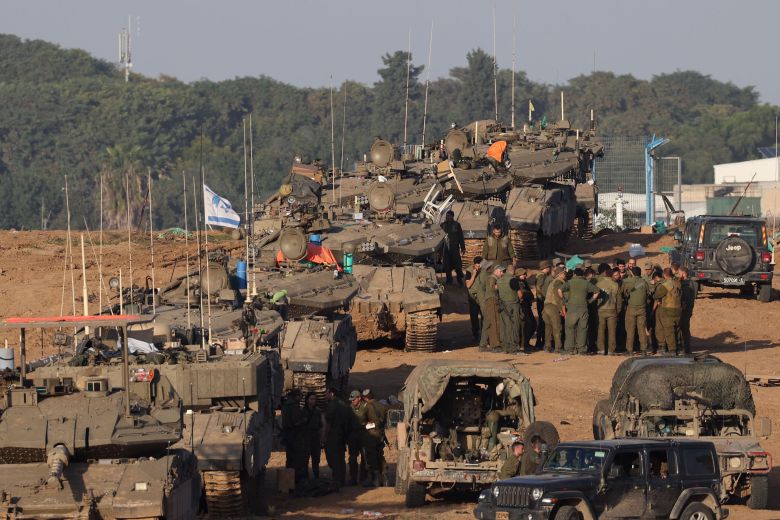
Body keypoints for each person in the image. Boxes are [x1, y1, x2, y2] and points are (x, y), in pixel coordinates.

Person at [560, 268, 601, 355]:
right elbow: (597, 291)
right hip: (583, 308)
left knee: (570, 328)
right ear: (582, 275)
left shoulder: (570, 282)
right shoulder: (586, 283)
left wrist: (564, 299)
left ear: (574, 274)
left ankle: (570, 349)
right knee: (583, 329)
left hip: (571, 308)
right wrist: (590, 301)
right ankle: (581, 349)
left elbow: (559, 290)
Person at [357, 389, 388, 487]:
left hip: (371, 435)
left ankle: (375, 480)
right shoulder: (382, 406)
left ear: (366, 398)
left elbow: (361, 419)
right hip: (381, 434)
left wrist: (367, 424)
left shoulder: (366, 407)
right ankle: (385, 478)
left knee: (371, 456)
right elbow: (384, 421)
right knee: (380, 455)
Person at [323, 388, 350, 488]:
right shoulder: (343, 404)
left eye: (326, 393)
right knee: (340, 458)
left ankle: (336, 480)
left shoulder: (331, 406)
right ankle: (341, 480)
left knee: (333, 459)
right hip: (342, 435)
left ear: (332, 393)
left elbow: (328, 424)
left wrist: (324, 437)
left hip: (333, 436)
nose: (325, 395)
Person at [653, 268, 682, 354]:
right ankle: (679, 348)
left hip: (668, 309)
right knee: (677, 329)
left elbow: (656, 295)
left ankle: (672, 350)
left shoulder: (665, 285)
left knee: (669, 330)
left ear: (664, 275)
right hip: (678, 309)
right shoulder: (677, 283)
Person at [281, 389, 308, 483]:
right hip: (294, 435)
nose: (302, 397)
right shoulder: (294, 406)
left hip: (288, 434)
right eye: (301, 395)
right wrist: (305, 420)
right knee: (297, 458)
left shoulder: (286, 404)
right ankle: (296, 481)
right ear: (296, 396)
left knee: (290, 458)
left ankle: (289, 482)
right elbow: (296, 422)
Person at [622, 266, 650, 355]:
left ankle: (629, 350)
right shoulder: (644, 282)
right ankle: (644, 350)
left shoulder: (627, 282)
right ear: (640, 273)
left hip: (631, 308)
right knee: (642, 330)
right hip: (642, 309)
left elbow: (624, 294)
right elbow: (648, 294)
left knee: (630, 330)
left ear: (632, 273)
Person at [596, 268, 622, 355]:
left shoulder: (598, 284)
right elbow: (619, 301)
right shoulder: (615, 284)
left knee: (601, 330)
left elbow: (595, 298)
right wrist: (617, 311)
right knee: (612, 331)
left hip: (601, 309)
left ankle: (601, 349)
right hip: (612, 310)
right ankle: (611, 350)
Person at [542, 266, 567, 353]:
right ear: (560, 274)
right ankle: (558, 348)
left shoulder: (552, 282)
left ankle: (548, 346)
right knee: (557, 328)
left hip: (546, 307)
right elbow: (558, 297)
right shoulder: (558, 282)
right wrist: (561, 309)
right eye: (564, 273)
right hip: (553, 307)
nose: (565, 275)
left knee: (548, 328)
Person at [496, 264, 519, 353]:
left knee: (504, 326)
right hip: (513, 304)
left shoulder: (499, 280)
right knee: (513, 325)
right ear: (513, 271)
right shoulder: (513, 280)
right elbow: (519, 294)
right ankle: (513, 347)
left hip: (503, 305)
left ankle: (505, 347)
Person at [480, 263, 503, 351]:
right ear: (496, 271)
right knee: (494, 322)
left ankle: (483, 345)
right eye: (501, 272)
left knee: (488, 323)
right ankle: (494, 345)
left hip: (490, 301)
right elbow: (492, 288)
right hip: (492, 300)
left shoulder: (493, 278)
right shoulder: (492, 278)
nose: (502, 273)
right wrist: (503, 284)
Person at [301, 392, 323, 480]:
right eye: (311, 399)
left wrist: (321, 436)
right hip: (306, 437)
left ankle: (316, 476)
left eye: (314, 399)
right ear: (307, 400)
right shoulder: (303, 411)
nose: (313, 401)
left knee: (316, 459)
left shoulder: (317, 411)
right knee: (305, 459)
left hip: (315, 437)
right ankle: (305, 478)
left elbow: (320, 424)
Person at [440, 210, 466, 285]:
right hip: (446, 248)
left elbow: (460, 236)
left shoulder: (457, 225)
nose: (447, 217)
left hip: (454, 248)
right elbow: (439, 238)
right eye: (447, 215)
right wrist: (440, 250)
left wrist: (463, 247)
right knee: (447, 265)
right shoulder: (443, 225)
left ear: (452, 216)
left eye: (449, 216)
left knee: (457, 264)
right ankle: (449, 280)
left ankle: (459, 279)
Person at [465, 256, 487, 340]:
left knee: (484, 314)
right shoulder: (469, 271)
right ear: (474, 265)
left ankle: (484, 333)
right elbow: (468, 285)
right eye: (477, 265)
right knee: (474, 316)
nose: (478, 267)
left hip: (483, 295)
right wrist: (474, 274)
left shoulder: (485, 269)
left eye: (480, 265)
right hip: (473, 296)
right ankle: (475, 333)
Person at [347, 390, 366, 485]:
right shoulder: (349, 408)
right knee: (352, 459)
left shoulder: (366, 407)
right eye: (351, 400)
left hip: (364, 436)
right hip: (353, 437)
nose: (352, 401)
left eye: (354, 399)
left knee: (365, 458)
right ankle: (353, 479)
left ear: (359, 398)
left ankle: (363, 478)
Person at [517, 268, 536, 351]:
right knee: (527, 325)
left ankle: (526, 343)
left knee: (533, 324)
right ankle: (523, 344)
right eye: (523, 274)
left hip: (527, 306)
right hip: (522, 307)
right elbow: (523, 294)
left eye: (525, 274)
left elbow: (530, 294)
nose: (525, 276)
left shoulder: (524, 282)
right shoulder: (518, 282)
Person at [535, 260, 553, 346]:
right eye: (549, 267)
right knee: (543, 322)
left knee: (543, 321)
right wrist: (544, 297)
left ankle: (540, 342)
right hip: (541, 301)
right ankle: (539, 342)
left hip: (541, 300)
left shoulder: (542, 275)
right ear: (546, 268)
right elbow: (539, 287)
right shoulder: (541, 276)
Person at [678, 266, 695, 354]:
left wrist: (683, 307)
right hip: (687, 309)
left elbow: (686, 300)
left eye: (679, 273)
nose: (678, 275)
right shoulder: (690, 282)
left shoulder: (687, 284)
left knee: (684, 329)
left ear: (683, 274)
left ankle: (686, 349)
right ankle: (685, 348)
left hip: (685, 310)